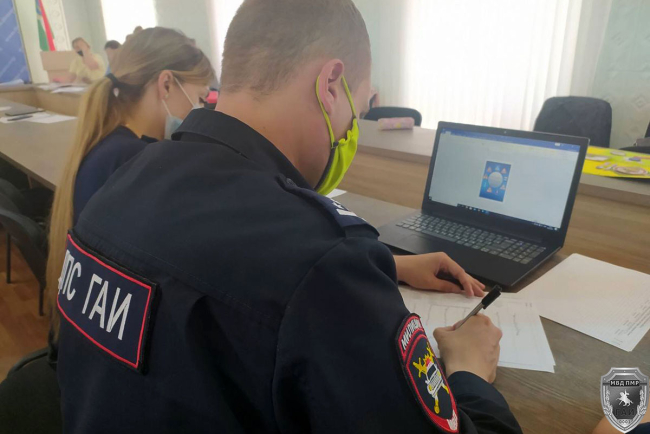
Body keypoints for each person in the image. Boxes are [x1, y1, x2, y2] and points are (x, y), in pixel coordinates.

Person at [52, 1, 519, 433]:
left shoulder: (123, 179)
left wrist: (386, 266)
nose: (349, 132)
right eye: (356, 112)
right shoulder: (322, 259)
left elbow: (217, 271)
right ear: (330, 85)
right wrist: (469, 371)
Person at [46, 27, 214, 359]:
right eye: (199, 98)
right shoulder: (135, 161)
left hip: (87, 341)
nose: (199, 110)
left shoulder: (109, 146)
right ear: (166, 84)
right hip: (114, 351)